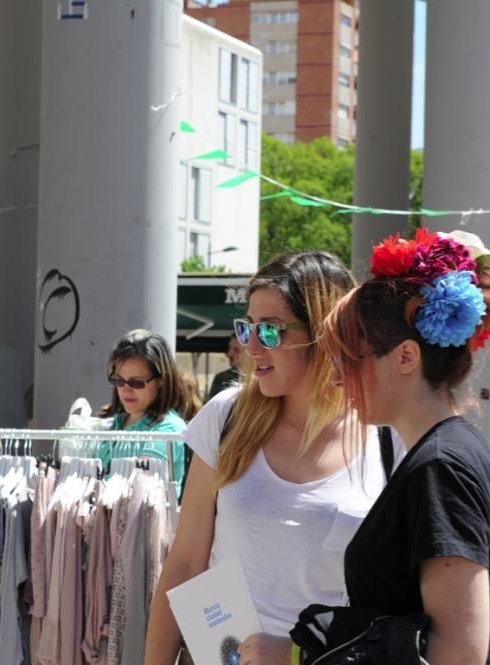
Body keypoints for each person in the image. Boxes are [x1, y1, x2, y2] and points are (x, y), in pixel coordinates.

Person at [243, 229, 490, 665]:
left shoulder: (440, 465)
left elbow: (458, 654)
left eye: (349, 359)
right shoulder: (450, 449)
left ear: (406, 358)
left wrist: (298, 653)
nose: (336, 378)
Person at [145, 251, 389, 664]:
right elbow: (185, 565)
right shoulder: (226, 417)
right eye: (247, 328)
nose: (251, 346)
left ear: (325, 333)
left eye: (271, 331)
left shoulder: (384, 437)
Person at [97, 329, 188, 485]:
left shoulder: (168, 429)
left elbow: (140, 489)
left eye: (136, 382)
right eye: (118, 381)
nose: (126, 390)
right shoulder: (114, 423)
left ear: (161, 380)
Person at [207, 334, 242, 399]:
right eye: (229, 348)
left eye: (236, 350)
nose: (229, 353)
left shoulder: (260, 379)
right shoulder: (221, 378)